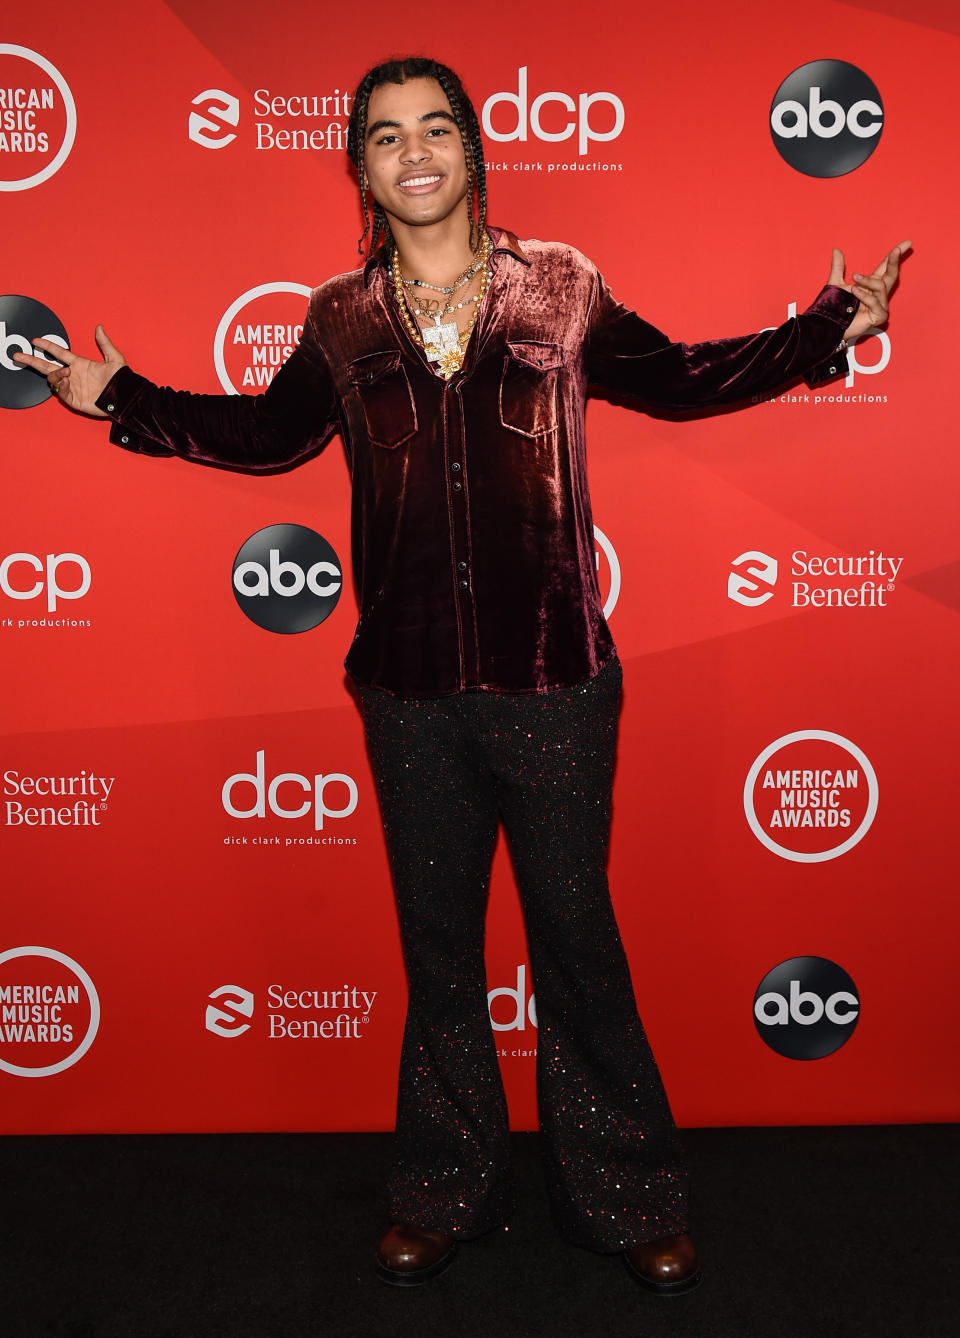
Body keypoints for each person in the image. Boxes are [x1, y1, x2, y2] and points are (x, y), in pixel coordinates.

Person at [15, 55, 909, 1297]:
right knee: (438, 954)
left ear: (474, 151)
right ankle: (444, 1189)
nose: (415, 151)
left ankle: (626, 1195)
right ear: (363, 171)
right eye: (387, 136)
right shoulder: (338, 317)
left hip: (556, 689)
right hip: (409, 696)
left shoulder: (566, 284)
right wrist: (129, 398)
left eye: (437, 127)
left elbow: (684, 378)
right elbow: (267, 441)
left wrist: (826, 329)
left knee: (577, 946)